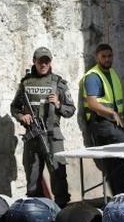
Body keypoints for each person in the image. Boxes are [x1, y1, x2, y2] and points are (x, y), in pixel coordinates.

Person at [10, 47, 75, 208]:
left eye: (47, 61)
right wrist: (21, 116)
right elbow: (14, 107)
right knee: (32, 180)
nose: (44, 64)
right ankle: (36, 213)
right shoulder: (26, 83)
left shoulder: (58, 83)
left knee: (58, 176)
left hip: (53, 136)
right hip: (32, 137)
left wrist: (58, 105)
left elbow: (71, 110)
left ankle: (62, 211)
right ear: (34, 61)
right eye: (41, 61)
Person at [79, 43, 124, 195]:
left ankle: (120, 194)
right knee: (121, 153)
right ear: (97, 57)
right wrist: (112, 113)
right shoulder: (93, 77)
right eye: (104, 56)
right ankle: (119, 195)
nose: (107, 59)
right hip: (101, 124)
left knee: (117, 162)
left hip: (114, 123)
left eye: (109, 56)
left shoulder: (112, 73)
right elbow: (92, 103)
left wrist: (122, 118)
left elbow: (116, 101)